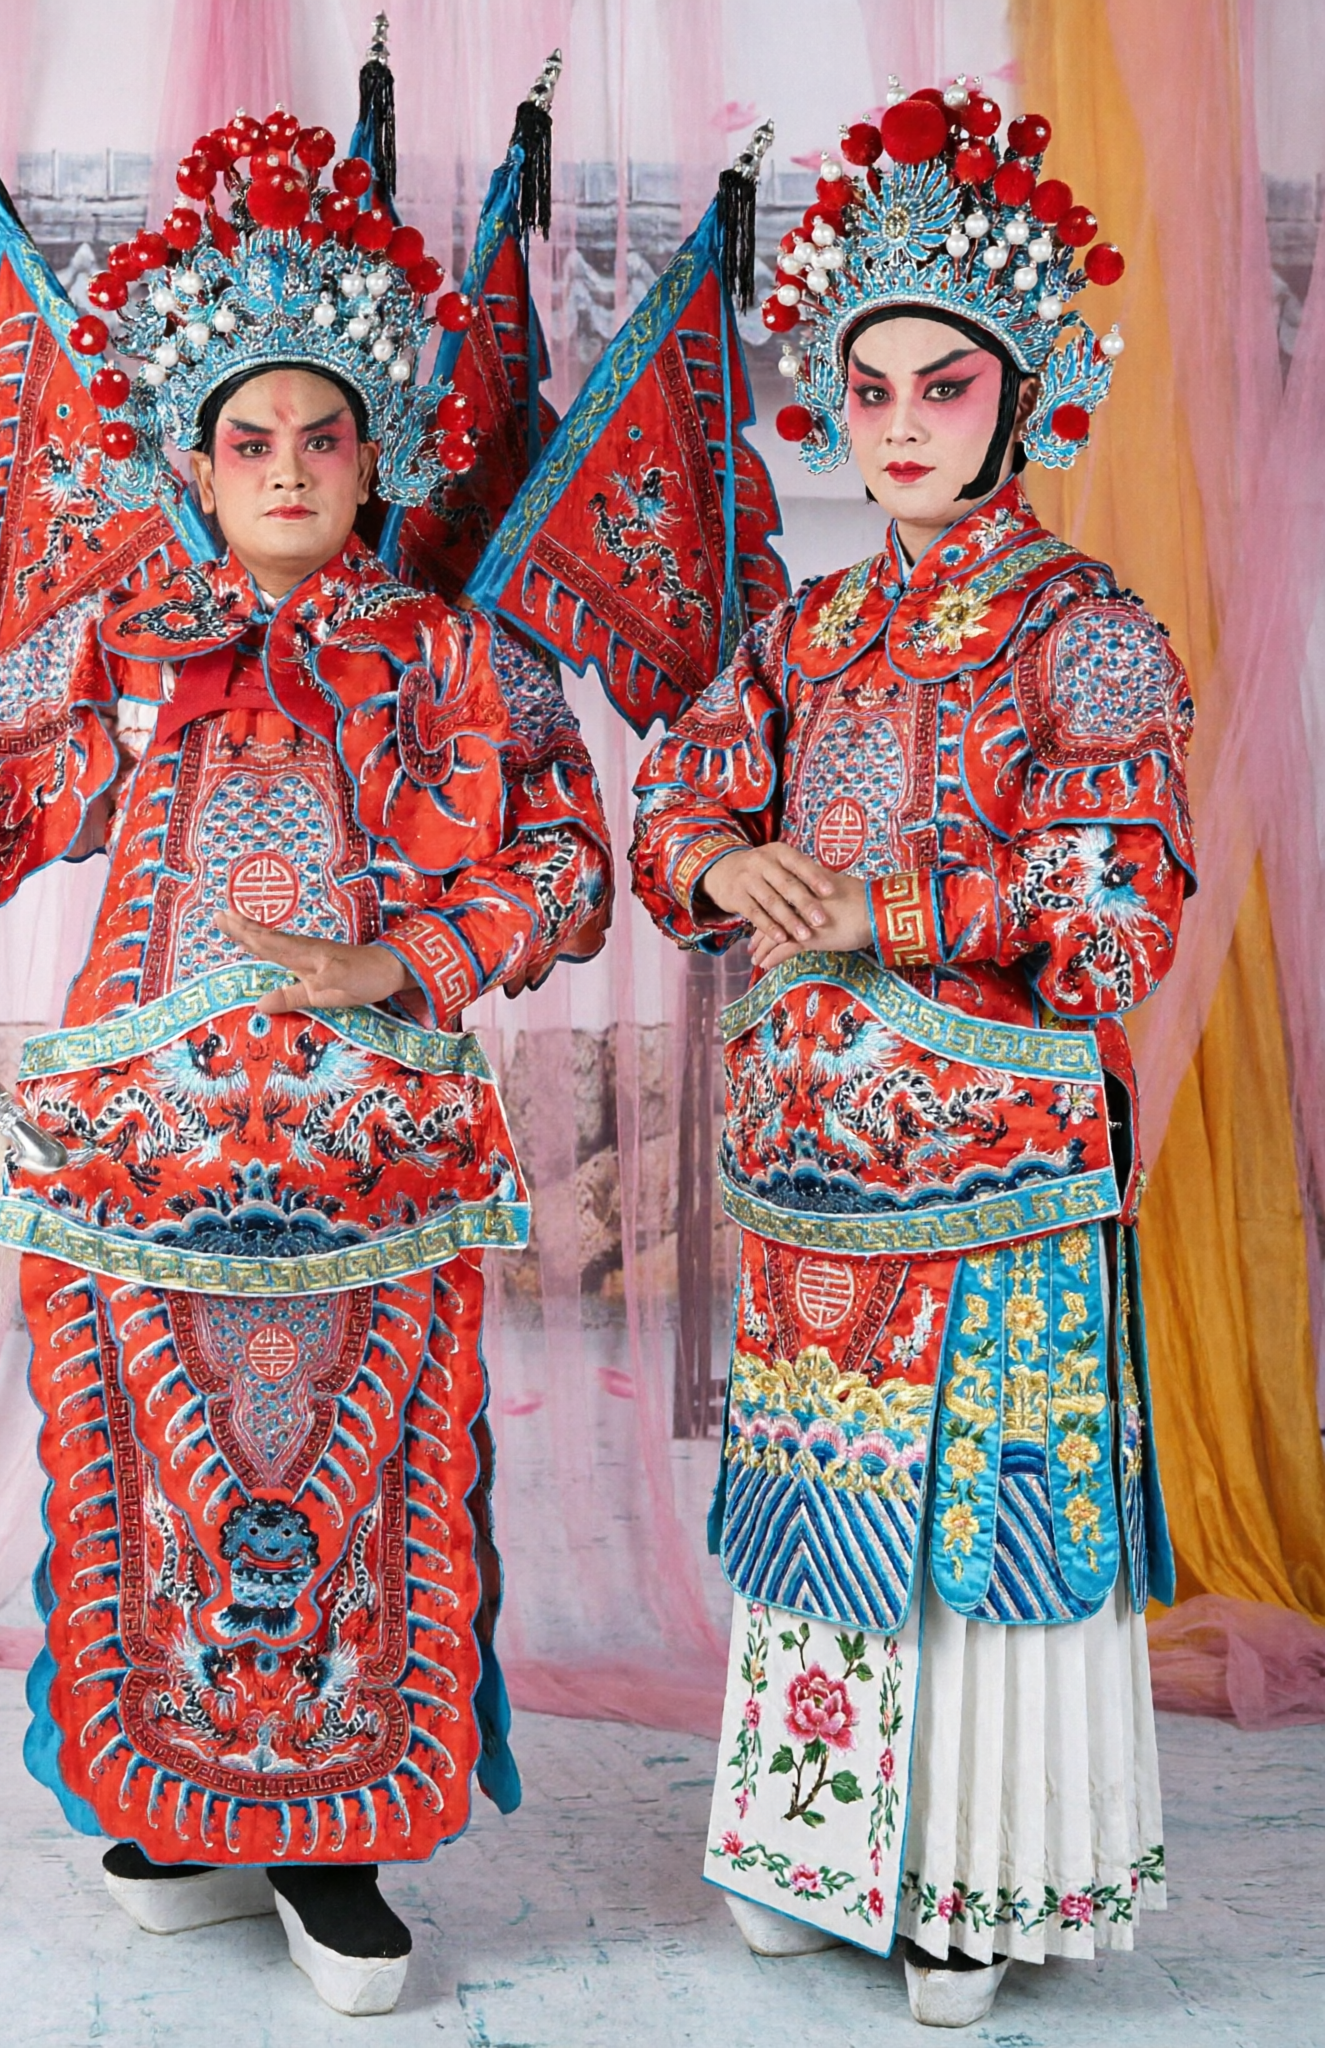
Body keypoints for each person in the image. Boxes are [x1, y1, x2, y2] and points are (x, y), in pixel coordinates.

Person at [0, 108, 611, 2019]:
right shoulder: (126, 643)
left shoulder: (451, 658)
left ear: (379, 450)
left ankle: (336, 1848)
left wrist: (391, 956)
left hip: (368, 1152)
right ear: (193, 457)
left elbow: (566, 864)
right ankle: (180, 1809)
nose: (284, 472)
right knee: (158, 1479)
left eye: (320, 437)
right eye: (246, 442)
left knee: (348, 1485)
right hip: (142, 1144)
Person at [631, 79, 1188, 2030]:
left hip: (992, 1186)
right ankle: (810, 1844)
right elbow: (670, 796)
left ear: (1020, 399)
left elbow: (1115, 918)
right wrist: (724, 847)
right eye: (866, 389)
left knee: (976, 1531)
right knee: (824, 1512)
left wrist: (889, 912)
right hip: (805, 1188)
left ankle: (979, 1872)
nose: (893, 425)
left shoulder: (1086, 632)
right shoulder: (808, 631)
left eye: (938, 387)